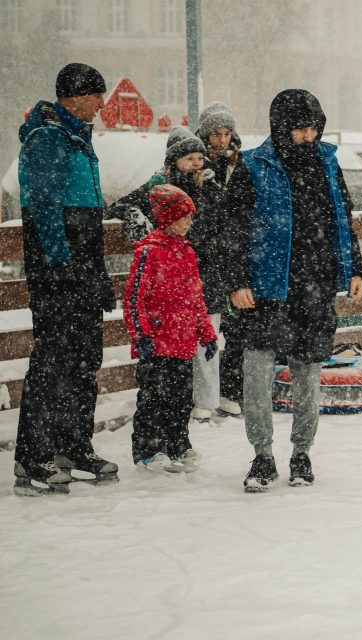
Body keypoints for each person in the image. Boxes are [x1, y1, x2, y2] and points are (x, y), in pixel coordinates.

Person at [229, 89, 362, 492]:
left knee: (309, 373)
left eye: (312, 128)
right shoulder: (253, 166)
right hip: (266, 289)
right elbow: (233, 230)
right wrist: (236, 281)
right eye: (300, 130)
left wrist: (355, 268)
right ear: (281, 128)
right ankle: (262, 455)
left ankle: (301, 453)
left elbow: (344, 218)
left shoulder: (328, 162)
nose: (308, 136)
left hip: (315, 286)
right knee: (256, 374)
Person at [13, 63, 117, 496]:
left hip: (83, 268)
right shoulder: (47, 139)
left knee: (84, 360)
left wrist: (96, 274)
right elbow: (42, 206)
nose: (101, 103)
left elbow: (88, 219)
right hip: (58, 273)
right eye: (96, 95)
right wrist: (61, 262)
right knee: (53, 361)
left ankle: (74, 445)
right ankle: (33, 456)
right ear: (72, 97)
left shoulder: (79, 137)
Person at [107, 125, 231, 426]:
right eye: (189, 158)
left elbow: (226, 224)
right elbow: (119, 205)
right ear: (174, 160)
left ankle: (205, 401)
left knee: (207, 340)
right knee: (176, 348)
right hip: (173, 274)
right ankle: (179, 405)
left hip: (206, 272)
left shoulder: (211, 185)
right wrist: (136, 217)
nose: (196, 164)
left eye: (199, 158)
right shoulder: (160, 187)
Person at [124, 185, 218, 473]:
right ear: (168, 219)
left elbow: (196, 297)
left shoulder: (187, 252)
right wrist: (141, 334)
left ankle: (177, 444)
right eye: (185, 217)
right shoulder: (149, 253)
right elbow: (133, 298)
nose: (190, 223)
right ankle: (148, 450)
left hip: (183, 342)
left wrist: (206, 333)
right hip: (156, 342)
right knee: (153, 399)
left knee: (179, 399)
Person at [196, 101, 252, 418]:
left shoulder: (239, 164)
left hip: (234, 254)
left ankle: (230, 390)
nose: (221, 140)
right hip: (206, 258)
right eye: (215, 133)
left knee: (238, 328)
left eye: (226, 132)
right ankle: (205, 396)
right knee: (207, 329)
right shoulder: (192, 163)